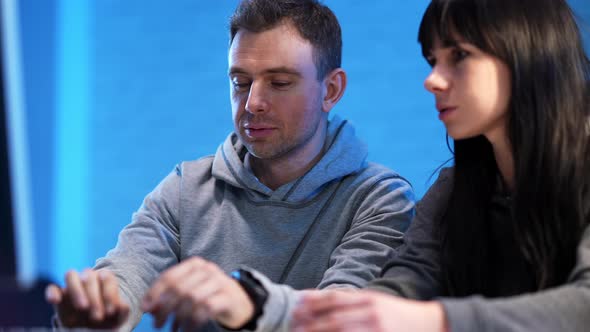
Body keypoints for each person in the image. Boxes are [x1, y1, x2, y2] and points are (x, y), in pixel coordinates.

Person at [44, 0, 415, 331]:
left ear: (331, 90)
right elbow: (126, 275)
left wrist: (248, 304)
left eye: (279, 82)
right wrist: (96, 311)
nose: (252, 103)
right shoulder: (185, 189)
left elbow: (344, 320)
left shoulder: (380, 199)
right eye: (240, 82)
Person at [291, 0, 590, 331]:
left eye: (459, 56)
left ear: (528, 51)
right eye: (433, 61)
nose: (431, 80)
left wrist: (438, 319)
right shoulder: (455, 187)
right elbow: (405, 285)